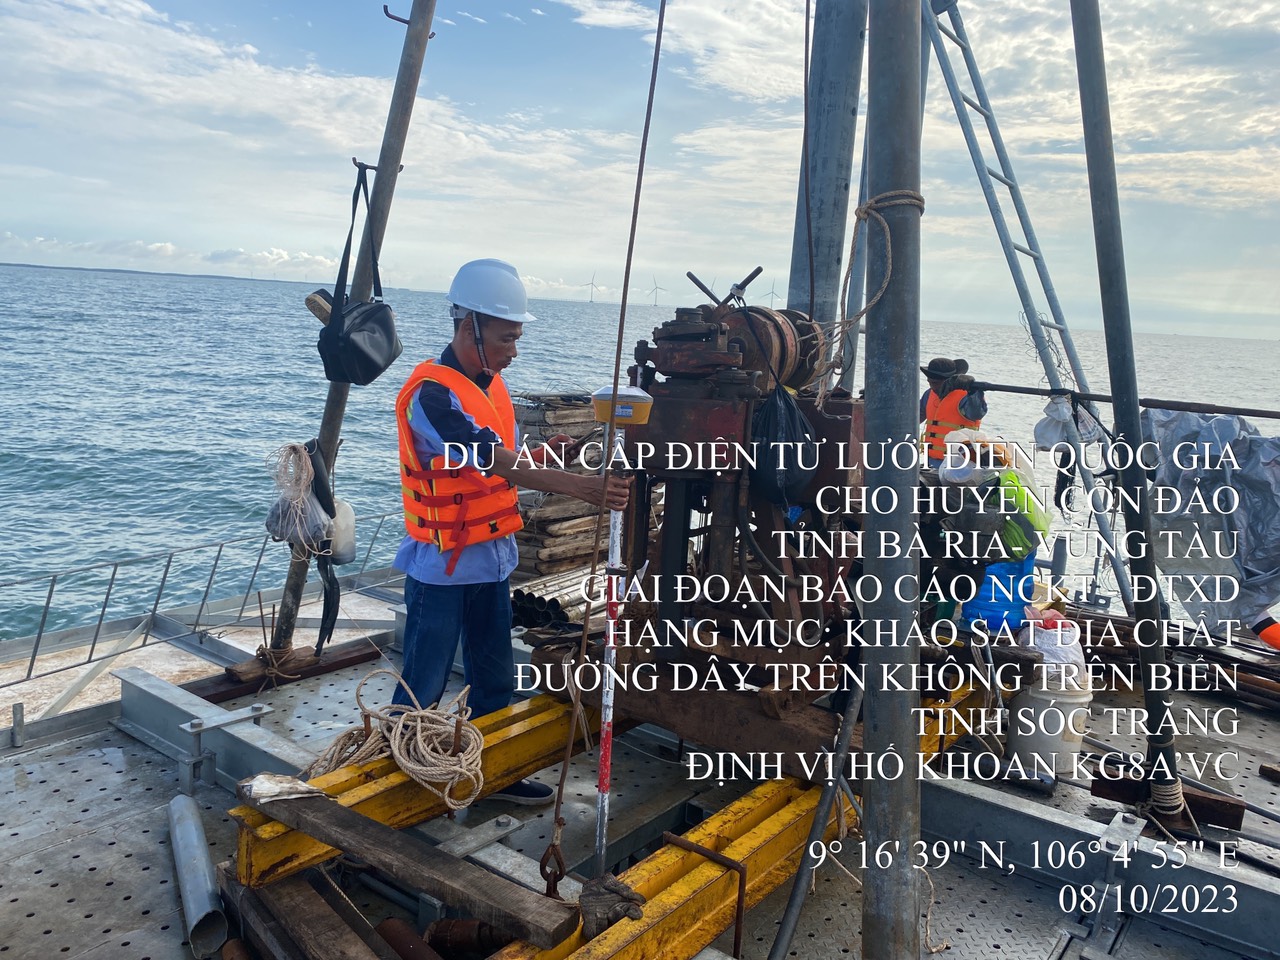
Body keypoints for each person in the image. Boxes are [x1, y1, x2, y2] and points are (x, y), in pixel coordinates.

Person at [393, 258, 630, 805]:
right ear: (469, 326)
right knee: (423, 681)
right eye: (507, 338)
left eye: (517, 338)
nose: (514, 351)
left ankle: (492, 775)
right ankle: (401, 779)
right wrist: (581, 487)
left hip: (491, 559)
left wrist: (544, 456)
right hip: (443, 565)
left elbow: (497, 462)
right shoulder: (431, 395)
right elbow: (486, 456)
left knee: (495, 675)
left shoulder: (492, 387)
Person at [920, 356, 987, 466]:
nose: (932, 387)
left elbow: (977, 413)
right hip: (931, 462)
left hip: (960, 464)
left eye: (935, 383)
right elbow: (911, 419)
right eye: (929, 382)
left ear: (949, 381)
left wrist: (973, 391)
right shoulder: (929, 394)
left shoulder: (966, 397)